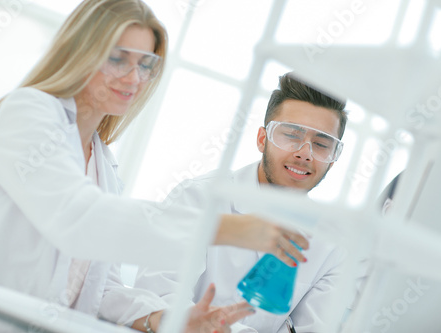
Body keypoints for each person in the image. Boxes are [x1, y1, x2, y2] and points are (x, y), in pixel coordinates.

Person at [0, 1, 308, 332]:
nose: (134, 78)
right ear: (79, 51)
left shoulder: (103, 164)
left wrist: (164, 318)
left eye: (145, 65)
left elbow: (101, 286)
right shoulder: (28, 112)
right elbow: (78, 219)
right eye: (117, 58)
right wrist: (228, 228)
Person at [135, 72, 349, 332]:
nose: (305, 153)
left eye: (321, 144)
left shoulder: (332, 246)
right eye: (292, 135)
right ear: (262, 139)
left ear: (334, 157)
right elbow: (158, 297)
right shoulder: (199, 198)